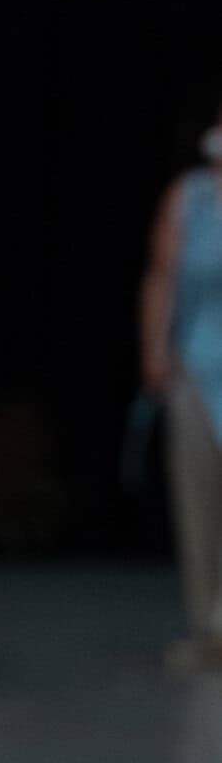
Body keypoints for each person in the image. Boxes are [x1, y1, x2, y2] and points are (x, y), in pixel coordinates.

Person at [142, 88, 222, 669]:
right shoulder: (188, 197)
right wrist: (154, 350)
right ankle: (208, 627)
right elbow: (161, 276)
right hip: (197, 361)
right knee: (198, 495)